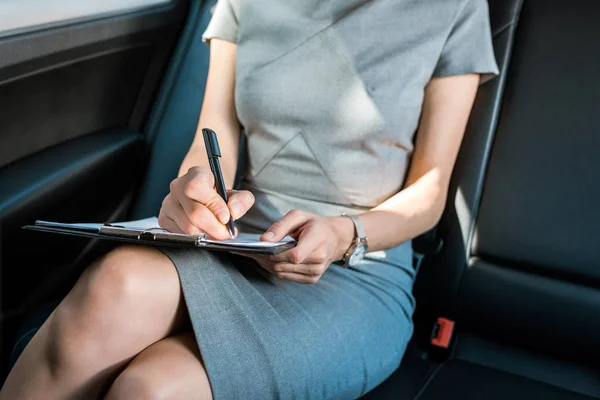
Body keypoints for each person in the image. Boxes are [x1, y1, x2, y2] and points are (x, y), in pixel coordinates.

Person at [0, 0, 498, 398]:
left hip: (355, 267)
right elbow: (213, 134)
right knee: (115, 282)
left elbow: (430, 194)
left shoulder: (453, 8)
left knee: (152, 389)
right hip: (236, 241)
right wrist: (196, 187)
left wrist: (346, 232)